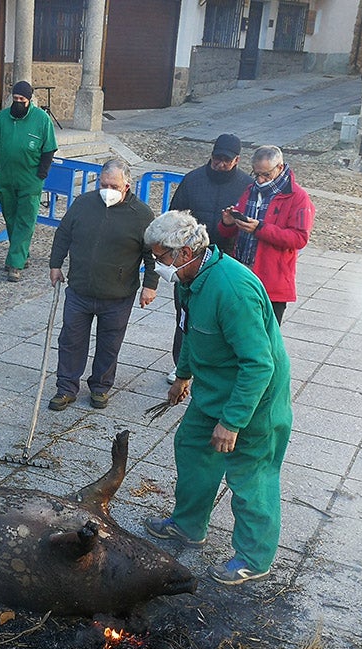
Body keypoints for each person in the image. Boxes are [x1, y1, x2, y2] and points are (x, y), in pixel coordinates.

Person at [141, 211, 291, 585]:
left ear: (187, 250)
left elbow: (259, 365)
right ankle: (189, 526)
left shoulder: (232, 289)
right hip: (213, 390)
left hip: (254, 401)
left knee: (250, 476)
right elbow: (192, 331)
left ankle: (254, 559)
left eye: (161, 258)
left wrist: (233, 422)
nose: (157, 265)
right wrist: (183, 374)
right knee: (191, 445)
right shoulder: (189, 279)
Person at [47, 158, 156, 411]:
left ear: (126, 185)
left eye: (114, 186)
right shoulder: (83, 203)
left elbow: (152, 253)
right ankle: (66, 387)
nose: (108, 189)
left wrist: (150, 285)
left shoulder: (141, 214)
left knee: (110, 343)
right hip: (80, 289)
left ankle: (100, 387)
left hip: (118, 294)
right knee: (70, 340)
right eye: (103, 183)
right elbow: (63, 233)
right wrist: (55, 264)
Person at [165, 133, 253, 383]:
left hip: (226, 260)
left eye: (226, 160)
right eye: (217, 158)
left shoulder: (245, 186)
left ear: (236, 160)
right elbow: (174, 216)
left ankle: (215, 365)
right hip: (190, 258)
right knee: (184, 313)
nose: (220, 164)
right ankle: (180, 363)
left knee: (219, 315)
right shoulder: (192, 180)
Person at [217, 144, 314, 324]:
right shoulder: (250, 190)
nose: (260, 180)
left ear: (280, 167)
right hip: (242, 275)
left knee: (265, 341)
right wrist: (228, 222)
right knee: (237, 333)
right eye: (256, 174)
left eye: (266, 175)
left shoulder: (298, 197)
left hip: (272, 281)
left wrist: (260, 229)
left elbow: (299, 238)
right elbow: (228, 232)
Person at [0, 80, 58, 282]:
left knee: (25, 221)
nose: (18, 102)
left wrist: (40, 176)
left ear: (29, 100)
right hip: (6, 178)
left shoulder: (42, 119)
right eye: (15, 99)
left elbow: (49, 150)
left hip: (30, 180)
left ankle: (14, 264)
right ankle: (22, 255)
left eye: (22, 99)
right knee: (11, 218)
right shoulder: (2, 117)